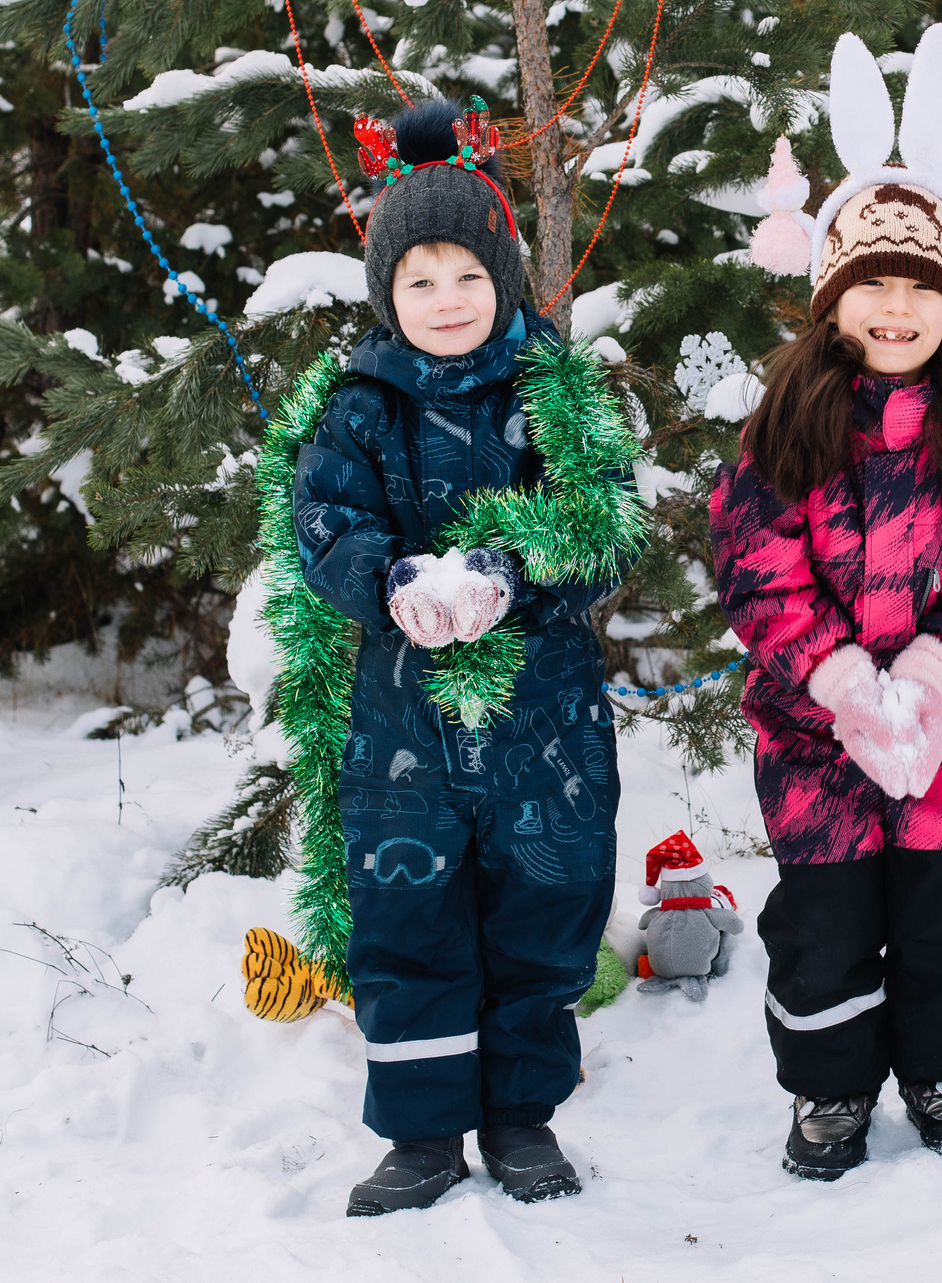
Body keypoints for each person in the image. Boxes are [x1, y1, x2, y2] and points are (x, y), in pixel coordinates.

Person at [713, 27, 942, 1180]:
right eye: (874, 289)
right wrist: (837, 675)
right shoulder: (786, 430)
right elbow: (755, 562)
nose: (898, 309)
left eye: (921, 288)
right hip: (813, 738)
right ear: (833, 302)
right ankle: (829, 1090)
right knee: (824, 921)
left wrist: (926, 674)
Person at [292, 100, 632, 1215]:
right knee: (410, 917)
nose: (446, 301)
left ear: (505, 280)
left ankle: (522, 1116)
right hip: (404, 720)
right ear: (388, 293)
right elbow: (325, 524)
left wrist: (508, 569)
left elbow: (601, 523)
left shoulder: (556, 395)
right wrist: (389, 581)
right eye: (420, 281)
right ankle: (423, 1133)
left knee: (545, 906)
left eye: (467, 277)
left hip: (547, 724)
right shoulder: (360, 406)